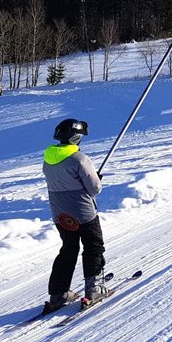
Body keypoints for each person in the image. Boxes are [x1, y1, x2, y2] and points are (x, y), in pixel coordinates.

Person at [42, 118, 108, 313]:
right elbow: (94, 188)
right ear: (76, 137)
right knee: (93, 246)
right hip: (83, 212)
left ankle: (58, 293)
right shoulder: (79, 159)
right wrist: (95, 177)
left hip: (61, 214)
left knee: (68, 249)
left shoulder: (48, 158)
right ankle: (94, 288)